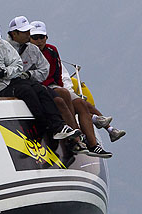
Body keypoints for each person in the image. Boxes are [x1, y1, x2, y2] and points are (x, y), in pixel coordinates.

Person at [0, 23, 78, 140]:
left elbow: (18, 65)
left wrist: (5, 72)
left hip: (8, 81)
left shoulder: (3, 46)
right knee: (27, 91)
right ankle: (43, 126)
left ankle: (58, 126)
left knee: (39, 88)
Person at [29, 20, 121, 157]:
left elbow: (58, 73)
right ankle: (82, 134)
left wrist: (58, 85)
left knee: (80, 103)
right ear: (29, 38)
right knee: (63, 94)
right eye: (35, 37)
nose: (38, 41)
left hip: (54, 85)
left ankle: (94, 145)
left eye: (41, 37)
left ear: (46, 37)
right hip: (41, 87)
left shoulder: (51, 50)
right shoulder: (27, 52)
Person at [7, 16, 88, 152]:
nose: (30, 35)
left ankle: (73, 136)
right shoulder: (5, 48)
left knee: (59, 99)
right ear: (14, 34)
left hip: (32, 83)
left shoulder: (34, 49)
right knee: (33, 94)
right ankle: (45, 128)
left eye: (40, 36)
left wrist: (29, 75)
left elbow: (45, 70)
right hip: (11, 85)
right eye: (25, 32)